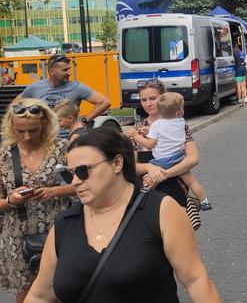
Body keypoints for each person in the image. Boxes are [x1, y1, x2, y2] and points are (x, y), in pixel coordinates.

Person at [25, 127, 222, 303]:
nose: (75, 181)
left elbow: (196, 280)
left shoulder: (160, 210)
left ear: (117, 163)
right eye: (70, 174)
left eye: (83, 171)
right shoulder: (65, 223)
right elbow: (40, 294)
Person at [0, 99, 75, 302]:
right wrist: (11, 200)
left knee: (62, 289)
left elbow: (86, 184)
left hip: (58, 231)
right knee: (26, 295)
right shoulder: (4, 155)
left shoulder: (63, 149)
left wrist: (57, 191)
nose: (26, 136)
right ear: (11, 127)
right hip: (17, 236)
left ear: (45, 124)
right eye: (19, 131)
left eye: (33, 130)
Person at [125, 80, 201, 210]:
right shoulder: (137, 130)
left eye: (153, 98)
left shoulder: (179, 125)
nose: (148, 104)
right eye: (144, 100)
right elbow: (132, 167)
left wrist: (163, 174)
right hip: (149, 191)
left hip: (175, 188)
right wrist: (149, 168)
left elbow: (192, 158)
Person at [14, 54, 111, 128]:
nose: (69, 73)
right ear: (52, 72)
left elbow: (104, 102)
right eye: (64, 70)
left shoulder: (77, 87)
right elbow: (15, 105)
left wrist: (84, 121)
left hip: (68, 139)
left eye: (69, 69)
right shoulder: (35, 87)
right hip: (43, 141)